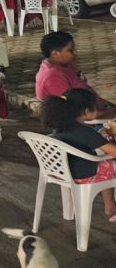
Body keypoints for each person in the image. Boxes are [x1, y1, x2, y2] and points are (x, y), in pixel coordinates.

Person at [40, 89, 116, 221]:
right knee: (110, 166)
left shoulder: (61, 127)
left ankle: (111, 207)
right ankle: (111, 207)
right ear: (87, 111)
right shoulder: (84, 131)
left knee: (106, 165)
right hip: (83, 172)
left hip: (62, 170)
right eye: (95, 108)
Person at [35, 31, 116, 114]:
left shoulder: (64, 65)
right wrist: (108, 113)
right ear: (55, 53)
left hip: (93, 109)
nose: (75, 53)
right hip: (79, 120)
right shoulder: (52, 77)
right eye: (70, 50)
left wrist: (108, 106)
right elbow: (74, 111)